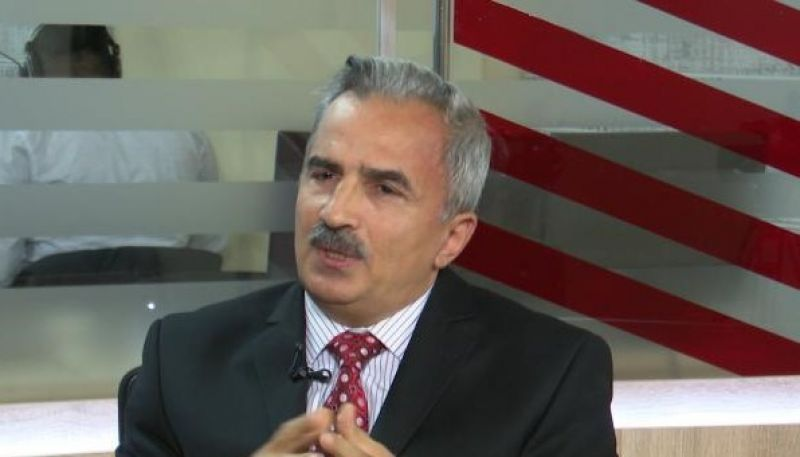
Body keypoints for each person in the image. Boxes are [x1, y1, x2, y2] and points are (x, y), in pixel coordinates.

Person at [117, 56, 616, 456]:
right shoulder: (182, 359)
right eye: (324, 175)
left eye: (384, 189)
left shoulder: (550, 376)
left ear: (452, 238)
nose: (335, 212)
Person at [0, 25, 224, 286]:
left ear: (34, 69)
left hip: (57, 298)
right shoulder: (181, 127)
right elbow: (210, 242)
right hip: (167, 294)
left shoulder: (23, 133)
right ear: (114, 63)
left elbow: (4, 254)